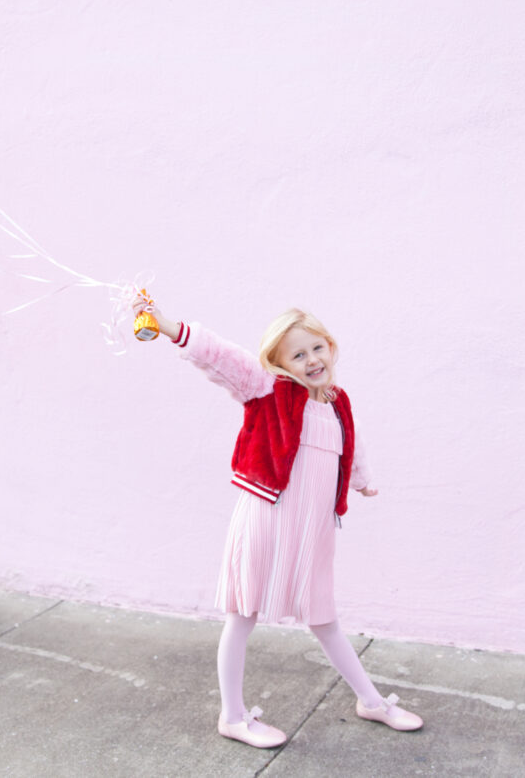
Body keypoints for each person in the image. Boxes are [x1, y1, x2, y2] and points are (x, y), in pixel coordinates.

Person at [135, 298, 423, 748]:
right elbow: (219, 355)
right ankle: (232, 715)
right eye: (298, 355)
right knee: (242, 615)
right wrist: (168, 326)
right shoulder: (266, 389)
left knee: (324, 617)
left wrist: (363, 482)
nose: (311, 361)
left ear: (330, 347)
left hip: (314, 529)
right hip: (267, 519)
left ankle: (371, 701)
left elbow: (353, 445)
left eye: (316, 349)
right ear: (279, 363)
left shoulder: (338, 403)